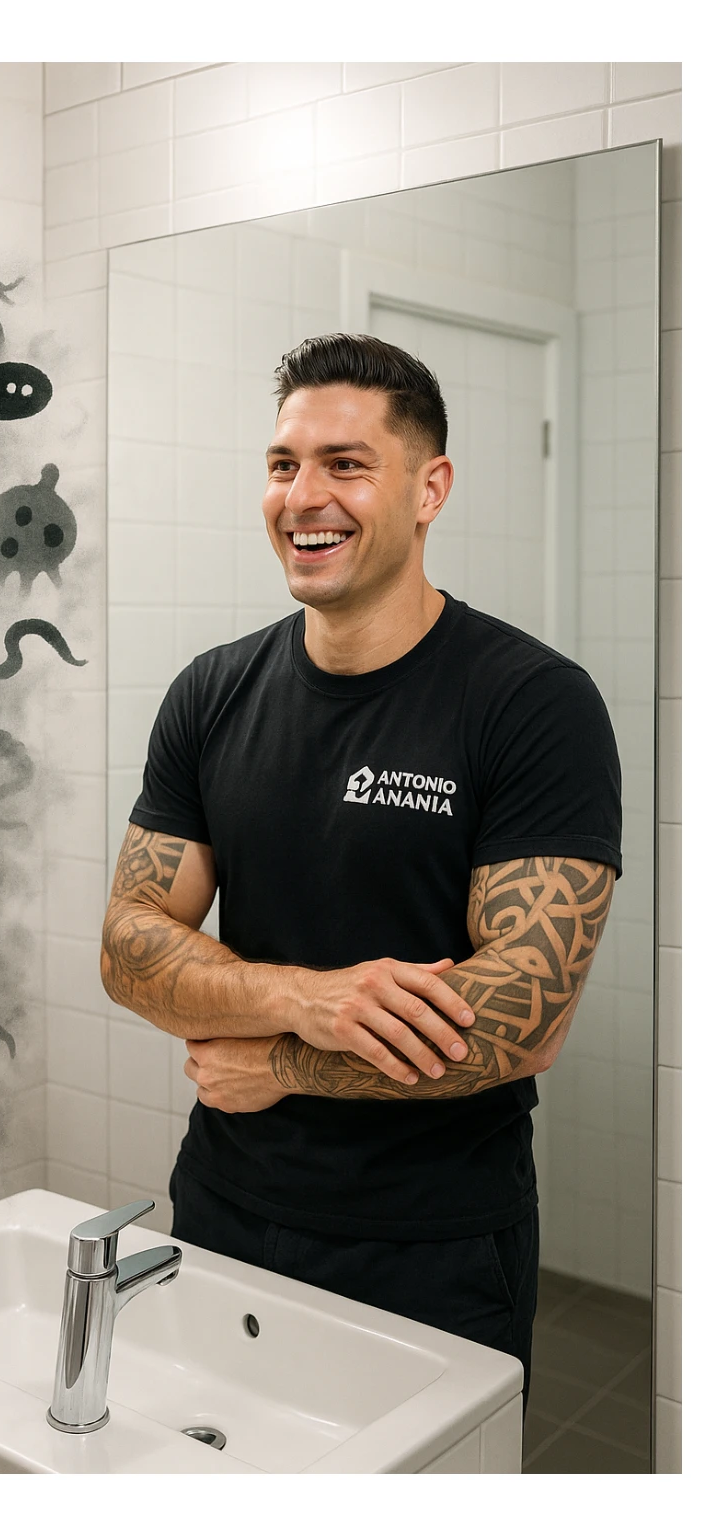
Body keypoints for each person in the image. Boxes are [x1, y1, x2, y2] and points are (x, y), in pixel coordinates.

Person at [100, 333, 622, 1409]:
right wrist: (305, 999)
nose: (303, 496)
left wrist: (279, 1063)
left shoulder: (531, 702)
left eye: (345, 464)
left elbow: (525, 1014)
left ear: (429, 488)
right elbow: (128, 943)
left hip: (428, 1242)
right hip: (224, 1205)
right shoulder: (212, 693)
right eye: (283, 463)